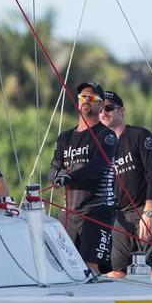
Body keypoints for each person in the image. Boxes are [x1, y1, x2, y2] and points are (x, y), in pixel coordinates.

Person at [98, 90, 152, 281]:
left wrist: (148, 213)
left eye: (108, 108)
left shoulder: (140, 136)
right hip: (120, 216)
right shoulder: (100, 146)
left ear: (121, 111)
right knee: (116, 272)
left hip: (147, 211)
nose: (103, 112)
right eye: (100, 109)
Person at [48, 82, 118, 275]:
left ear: (101, 105)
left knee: (90, 267)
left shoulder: (107, 136)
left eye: (93, 98)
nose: (86, 100)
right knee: (60, 266)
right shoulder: (65, 137)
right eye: (82, 97)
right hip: (70, 212)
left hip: (97, 210)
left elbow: (96, 169)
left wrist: (69, 177)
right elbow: (53, 168)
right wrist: (57, 176)